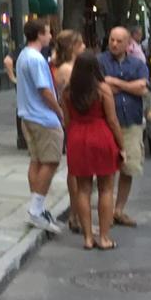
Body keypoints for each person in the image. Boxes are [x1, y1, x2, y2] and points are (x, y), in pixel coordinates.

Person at [62, 51, 124, 251]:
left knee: (83, 189)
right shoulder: (102, 89)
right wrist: (121, 145)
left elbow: (67, 120)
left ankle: (88, 238)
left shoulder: (68, 92)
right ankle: (104, 237)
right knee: (106, 188)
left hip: (77, 138)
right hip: (101, 136)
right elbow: (112, 121)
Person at [15, 19, 63, 233]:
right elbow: (44, 90)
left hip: (27, 115)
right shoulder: (36, 59)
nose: (50, 36)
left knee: (36, 160)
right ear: (39, 35)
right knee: (51, 161)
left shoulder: (23, 55)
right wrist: (59, 110)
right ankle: (36, 209)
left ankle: (38, 207)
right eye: (48, 32)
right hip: (43, 117)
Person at [98, 26, 150, 227]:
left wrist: (115, 83)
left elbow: (142, 89)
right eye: (112, 39)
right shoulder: (100, 62)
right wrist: (129, 86)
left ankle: (118, 210)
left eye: (119, 41)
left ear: (129, 44)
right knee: (108, 169)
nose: (114, 44)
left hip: (131, 123)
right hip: (107, 124)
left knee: (129, 169)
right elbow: (101, 88)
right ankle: (107, 211)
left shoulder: (137, 63)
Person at [51, 30, 87, 233]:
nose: (84, 47)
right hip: (74, 121)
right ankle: (76, 214)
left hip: (74, 121)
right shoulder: (67, 69)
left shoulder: (71, 67)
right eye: (81, 44)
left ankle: (77, 213)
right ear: (72, 47)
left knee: (77, 170)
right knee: (76, 171)